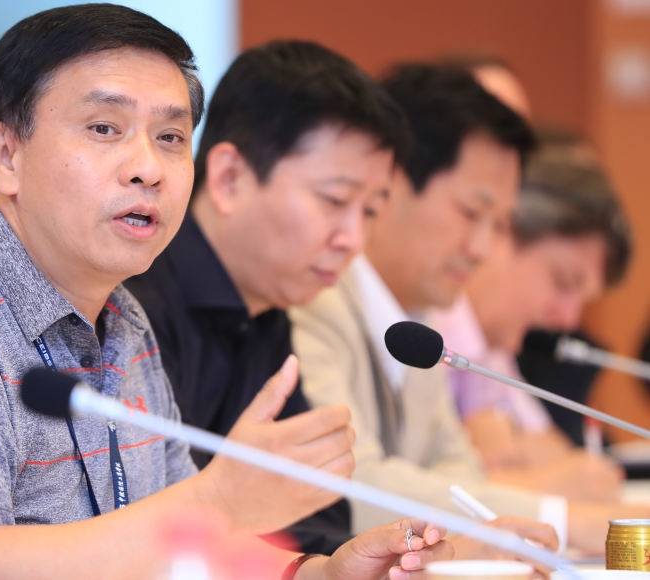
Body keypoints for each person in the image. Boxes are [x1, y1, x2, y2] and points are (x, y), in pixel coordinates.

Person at [0, 6, 460, 579]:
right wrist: (217, 502)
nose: (147, 168)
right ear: (6, 155)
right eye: (104, 128)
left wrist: (317, 573)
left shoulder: (121, 317)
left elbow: (176, 548)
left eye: (170, 137)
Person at [290, 62, 647, 555]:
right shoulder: (312, 299)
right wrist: (564, 523)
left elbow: (459, 471)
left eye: (497, 225)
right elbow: (353, 485)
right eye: (471, 213)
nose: (481, 248)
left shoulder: (421, 318)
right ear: (389, 183)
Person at [124, 39, 406, 554]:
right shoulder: (129, 307)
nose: (353, 239)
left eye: (369, 212)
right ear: (229, 178)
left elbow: (315, 514)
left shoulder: (269, 310)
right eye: (335, 199)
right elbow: (147, 532)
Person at [434, 133, 632, 506]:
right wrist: (533, 482)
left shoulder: (491, 346)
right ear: (501, 232)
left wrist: (516, 463)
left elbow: (560, 455)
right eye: (563, 282)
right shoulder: (430, 328)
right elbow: (414, 488)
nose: (568, 319)